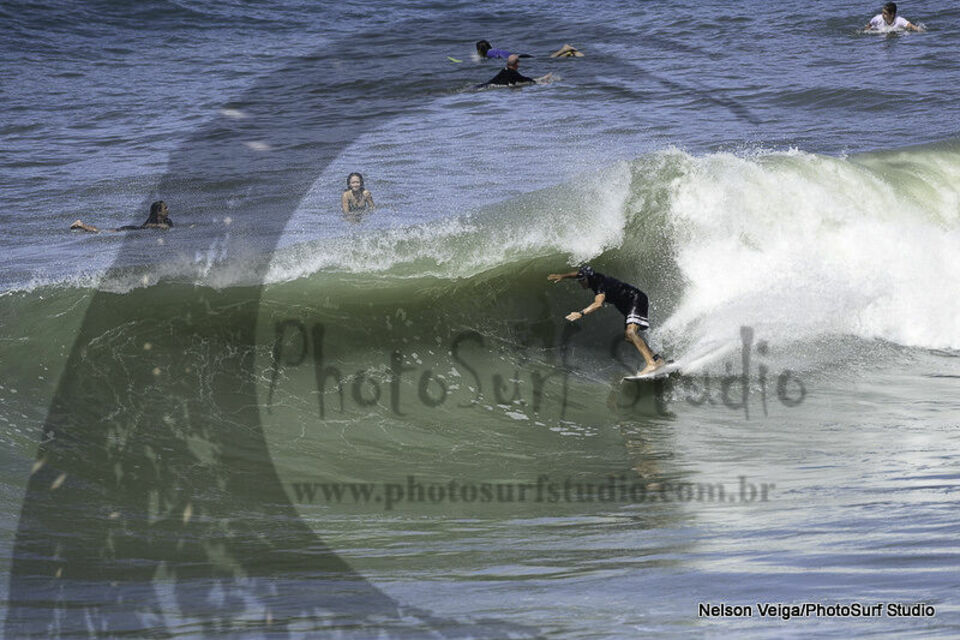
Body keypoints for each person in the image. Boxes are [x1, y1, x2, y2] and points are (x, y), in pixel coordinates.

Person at [547, 265, 665, 376]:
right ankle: (657, 359)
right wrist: (563, 276)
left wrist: (580, 313)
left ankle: (651, 364)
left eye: (582, 280)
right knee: (629, 337)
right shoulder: (591, 277)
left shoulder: (600, 285)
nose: (580, 282)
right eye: (579, 279)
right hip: (627, 303)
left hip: (635, 299)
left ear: (588, 278)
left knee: (631, 332)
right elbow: (577, 274)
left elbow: (598, 304)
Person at [70, 200, 173, 233]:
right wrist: (158, 226)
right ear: (158, 211)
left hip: (136, 230)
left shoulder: (168, 221)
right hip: (133, 229)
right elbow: (147, 226)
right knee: (104, 231)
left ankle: (82, 228)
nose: (168, 209)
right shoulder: (153, 220)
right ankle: (81, 225)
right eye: (166, 208)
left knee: (105, 231)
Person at [478, 54, 552, 88]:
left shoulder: (504, 70)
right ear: (517, 64)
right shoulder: (513, 73)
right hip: (488, 87)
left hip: (484, 85)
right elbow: (528, 80)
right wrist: (542, 81)